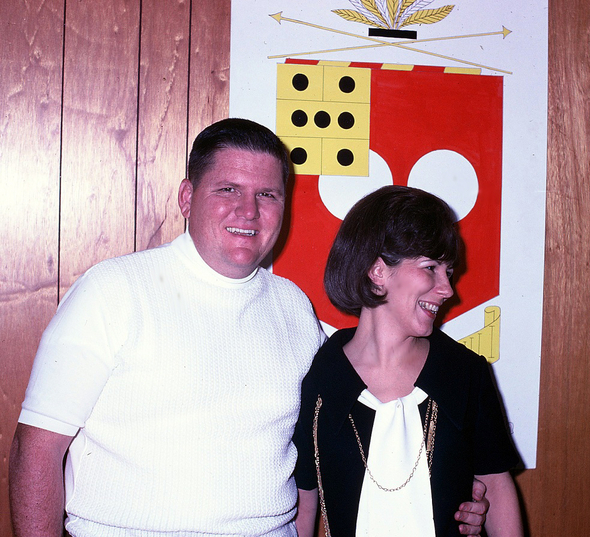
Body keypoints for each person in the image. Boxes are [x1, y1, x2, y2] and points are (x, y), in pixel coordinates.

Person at [9, 119, 489, 537]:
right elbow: (38, 447)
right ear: (186, 196)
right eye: (228, 190)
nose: (249, 210)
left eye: (267, 194)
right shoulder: (112, 291)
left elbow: (353, 424)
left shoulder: (293, 309)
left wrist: (455, 491)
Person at [293, 185, 523, 536]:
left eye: (448, 270)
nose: (448, 289)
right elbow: (304, 502)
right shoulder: (322, 380)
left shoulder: (465, 373)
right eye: (430, 267)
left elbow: (496, 483)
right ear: (378, 271)